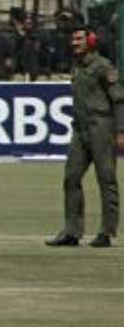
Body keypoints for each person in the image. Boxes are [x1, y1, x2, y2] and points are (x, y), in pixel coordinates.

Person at [46, 26, 124, 248]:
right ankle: (72, 231)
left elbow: (118, 100)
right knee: (71, 177)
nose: (74, 42)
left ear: (91, 40)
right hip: (80, 129)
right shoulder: (77, 66)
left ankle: (106, 232)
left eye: (79, 38)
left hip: (101, 127)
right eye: (73, 38)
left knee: (106, 179)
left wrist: (120, 131)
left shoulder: (103, 67)